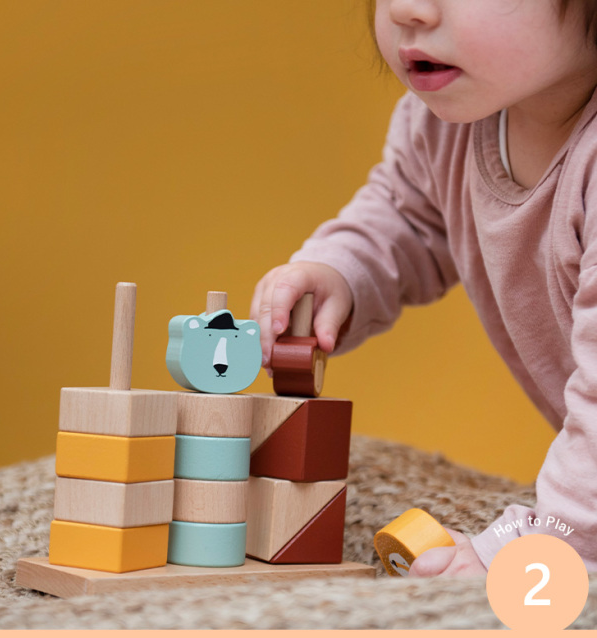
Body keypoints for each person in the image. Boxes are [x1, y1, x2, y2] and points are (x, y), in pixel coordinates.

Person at [250, 0, 597, 576]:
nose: (408, 9)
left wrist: (545, 543)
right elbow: (408, 216)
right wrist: (340, 271)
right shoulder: (441, 125)